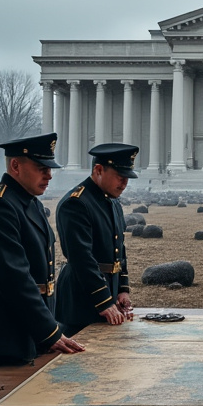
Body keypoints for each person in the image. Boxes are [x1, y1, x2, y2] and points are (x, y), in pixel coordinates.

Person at [0, 133, 83, 380]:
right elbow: (14, 278)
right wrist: (49, 332)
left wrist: (48, 328)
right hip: (5, 332)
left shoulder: (28, 202)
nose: (49, 175)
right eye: (42, 168)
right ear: (16, 166)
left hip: (31, 326)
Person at [56, 143, 139, 334]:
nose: (125, 183)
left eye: (127, 177)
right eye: (120, 177)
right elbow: (81, 258)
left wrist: (122, 289)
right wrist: (103, 300)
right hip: (82, 299)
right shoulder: (76, 203)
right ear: (99, 170)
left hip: (108, 292)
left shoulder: (112, 201)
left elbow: (119, 249)